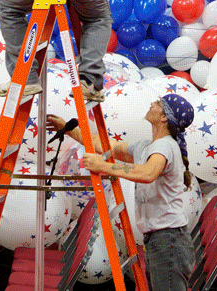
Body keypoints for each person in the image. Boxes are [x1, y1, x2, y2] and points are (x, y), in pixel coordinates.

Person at [46, 93, 196, 291]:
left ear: (164, 117)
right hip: (162, 240)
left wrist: (104, 167)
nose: (152, 103)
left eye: (158, 103)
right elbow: (107, 146)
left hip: (168, 241)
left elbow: (148, 173)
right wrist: (68, 129)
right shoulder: (149, 146)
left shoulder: (165, 145)